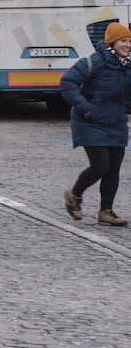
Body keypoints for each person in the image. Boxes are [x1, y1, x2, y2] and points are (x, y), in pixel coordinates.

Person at [60, 22, 131, 226]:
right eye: (123, 41)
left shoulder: (127, 65)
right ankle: (74, 195)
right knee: (101, 166)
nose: (127, 45)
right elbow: (67, 83)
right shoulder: (93, 62)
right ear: (111, 42)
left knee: (113, 169)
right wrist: (86, 108)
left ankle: (106, 212)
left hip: (115, 121)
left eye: (129, 41)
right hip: (89, 121)